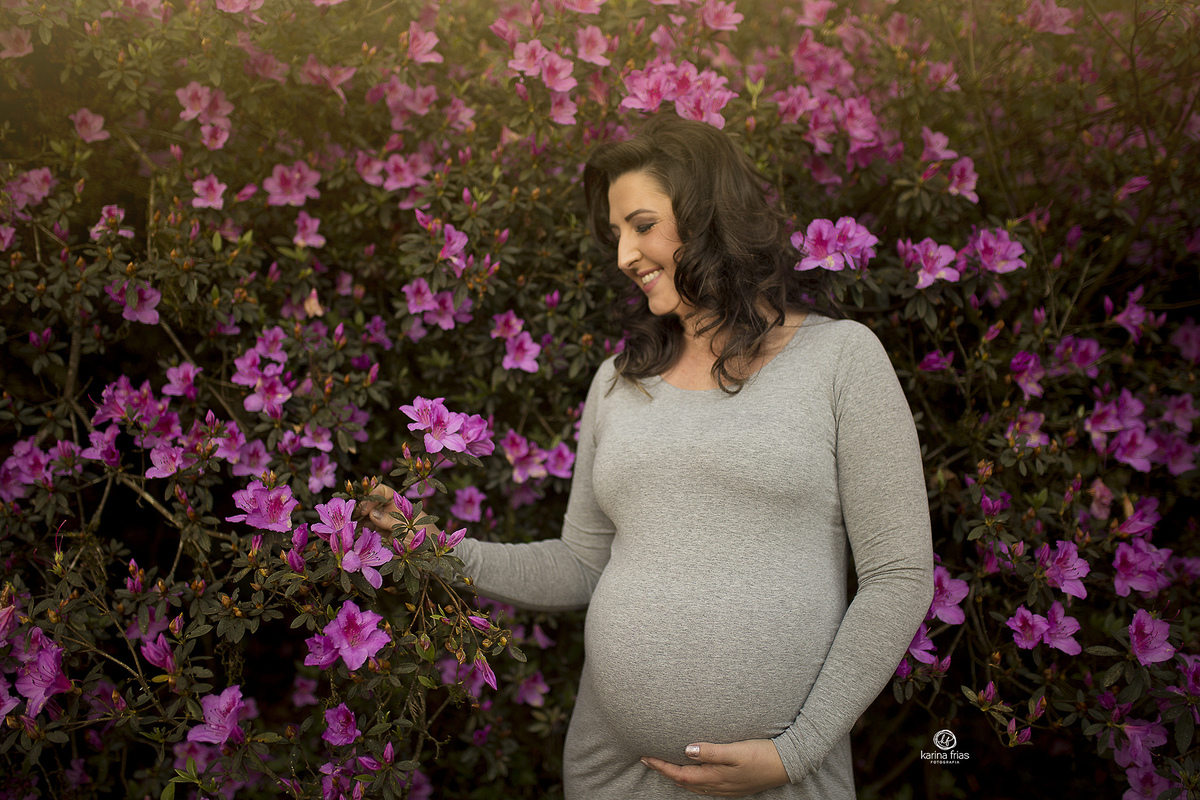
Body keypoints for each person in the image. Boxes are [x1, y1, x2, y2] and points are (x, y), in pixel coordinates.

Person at [363, 113, 934, 799]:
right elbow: (582, 563)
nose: (623, 256)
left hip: (783, 783)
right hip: (616, 776)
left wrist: (799, 751)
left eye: (641, 225)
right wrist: (439, 549)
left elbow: (899, 575)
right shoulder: (617, 382)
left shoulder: (841, 359)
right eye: (616, 235)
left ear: (708, 214)